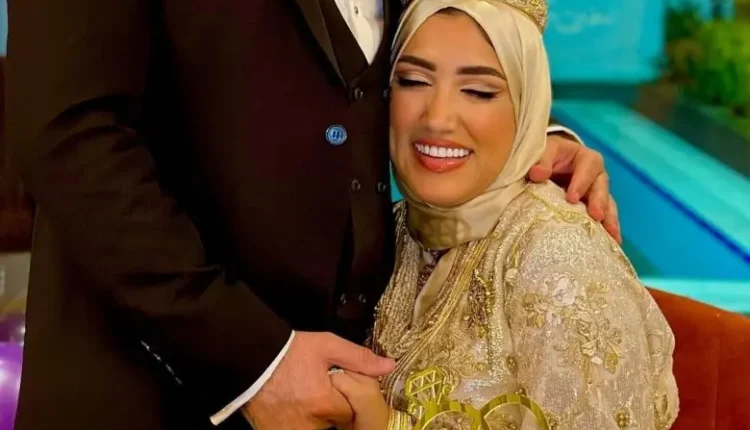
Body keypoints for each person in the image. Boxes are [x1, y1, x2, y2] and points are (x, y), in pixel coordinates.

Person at [6, 1, 620, 430]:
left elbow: (446, 41)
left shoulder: (554, 257)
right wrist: (254, 363)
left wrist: (525, 140)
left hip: (347, 393)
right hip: (145, 391)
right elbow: (69, 130)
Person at [330, 0, 679, 429]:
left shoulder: (556, 259)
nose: (437, 119)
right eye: (413, 81)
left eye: (479, 91)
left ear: (528, 104)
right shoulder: (397, 229)